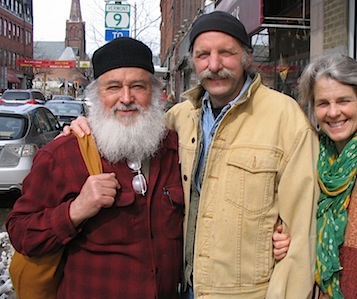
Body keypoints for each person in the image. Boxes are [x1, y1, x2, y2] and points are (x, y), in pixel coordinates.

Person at [65, 11, 320, 298]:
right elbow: (127, 126)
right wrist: (85, 126)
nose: (214, 65)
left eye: (226, 53)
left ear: (246, 57)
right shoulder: (177, 119)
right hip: (184, 289)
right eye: (203, 55)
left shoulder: (286, 119)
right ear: (193, 61)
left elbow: (300, 234)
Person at [6, 37, 184, 299]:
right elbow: (21, 233)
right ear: (96, 96)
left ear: (156, 93)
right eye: (113, 87)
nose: (126, 98)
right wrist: (75, 210)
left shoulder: (175, 150)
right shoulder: (63, 155)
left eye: (138, 86)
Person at [273, 54, 357, 299]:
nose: (333, 112)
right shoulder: (306, 158)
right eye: (323, 103)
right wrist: (283, 239)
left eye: (343, 101)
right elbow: (292, 222)